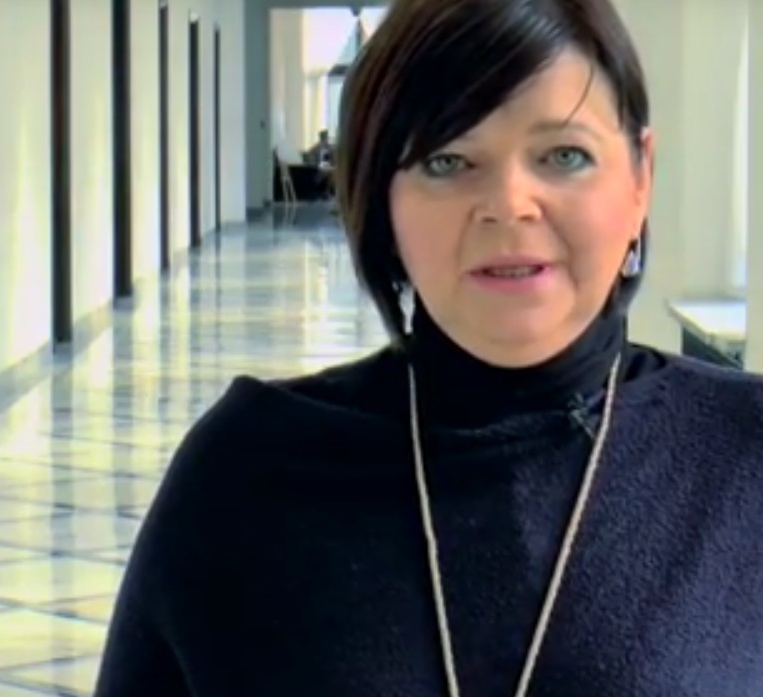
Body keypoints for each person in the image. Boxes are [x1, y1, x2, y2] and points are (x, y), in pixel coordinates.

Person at [94, 0, 763, 694]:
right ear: (382, 197)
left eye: (565, 155)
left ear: (639, 178)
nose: (509, 204)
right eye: (448, 160)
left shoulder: (744, 454)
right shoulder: (246, 475)